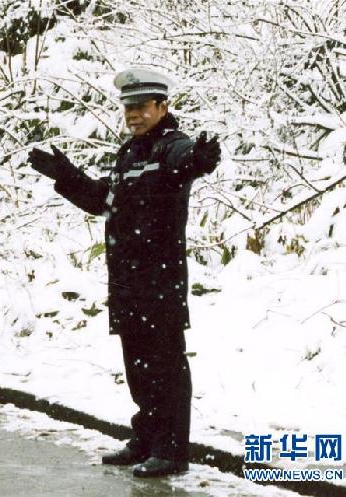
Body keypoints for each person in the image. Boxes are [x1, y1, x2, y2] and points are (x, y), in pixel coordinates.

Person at [27, 67, 221, 478]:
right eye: (128, 107)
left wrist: (199, 163)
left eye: (141, 107)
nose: (133, 115)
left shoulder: (173, 147)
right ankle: (146, 439)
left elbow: (185, 164)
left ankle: (171, 449)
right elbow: (103, 202)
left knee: (165, 363)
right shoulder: (130, 153)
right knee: (138, 364)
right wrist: (68, 176)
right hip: (128, 279)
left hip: (159, 277)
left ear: (162, 106)